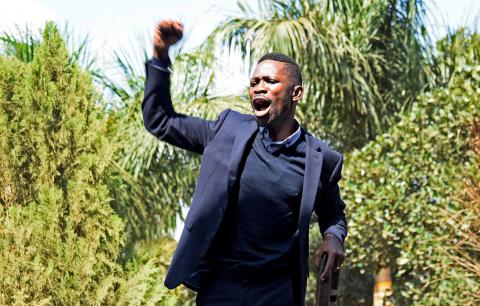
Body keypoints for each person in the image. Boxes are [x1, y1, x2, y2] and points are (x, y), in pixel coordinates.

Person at [142, 20, 347, 306]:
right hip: (221, 285)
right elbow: (160, 120)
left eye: (270, 81)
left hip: (278, 292)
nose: (258, 88)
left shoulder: (320, 159)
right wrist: (160, 55)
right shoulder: (226, 130)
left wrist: (334, 236)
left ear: (296, 94)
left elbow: (333, 213)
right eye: (254, 82)